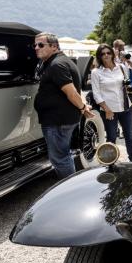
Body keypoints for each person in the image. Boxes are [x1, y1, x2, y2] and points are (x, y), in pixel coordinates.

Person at [33, 32, 94, 178]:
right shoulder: (60, 61)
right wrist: (83, 106)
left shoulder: (57, 65)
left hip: (58, 121)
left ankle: (69, 191)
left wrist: (82, 107)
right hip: (60, 119)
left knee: (60, 158)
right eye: (34, 45)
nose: (36, 47)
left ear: (54, 46)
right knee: (63, 156)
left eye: (41, 45)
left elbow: (71, 92)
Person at [90, 44, 132, 161]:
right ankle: (110, 162)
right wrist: (106, 109)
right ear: (99, 57)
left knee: (129, 136)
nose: (106, 55)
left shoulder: (121, 67)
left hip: (126, 107)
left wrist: (127, 59)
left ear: (112, 54)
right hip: (109, 110)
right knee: (111, 137)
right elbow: (96, 94)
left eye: (108, 53)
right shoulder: (96, 72)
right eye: (103, 54)